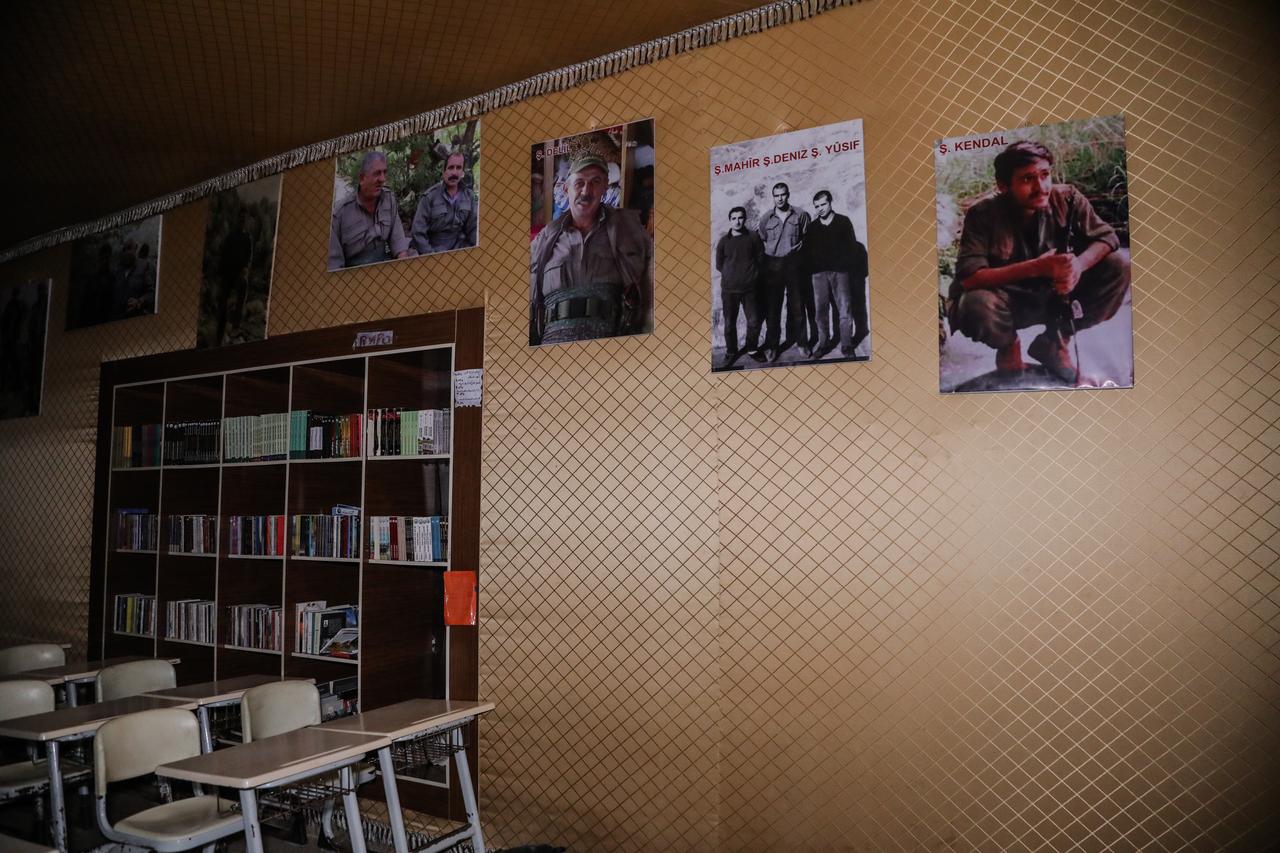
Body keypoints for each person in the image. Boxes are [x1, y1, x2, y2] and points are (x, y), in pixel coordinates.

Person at [949, 140, 1130, 383]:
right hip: (1008, 303)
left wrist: (1078, 266)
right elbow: (970, 277)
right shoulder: (982, 214)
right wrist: (1038, 267)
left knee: (1118, 266)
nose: (1041, 187)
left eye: (1045, 175)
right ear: (1003, 186)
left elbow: (1107, 237)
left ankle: (1055, 342)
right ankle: (1008, 347)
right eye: (1027, 179)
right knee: (975, 304)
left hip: (1057, 296)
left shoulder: (1067, 198)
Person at [529, 153, 653, 345]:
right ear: (565, 188)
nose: (586, 191)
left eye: (596, 181)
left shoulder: (629, 232)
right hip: (552, 348)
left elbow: (649, 293)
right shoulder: (544, 241)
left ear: (605, 188)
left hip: (610, 347)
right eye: (579, 183)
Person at [805, 190, 868, 358]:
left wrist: (845, 267)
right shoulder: (812, 228)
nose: (820, 209)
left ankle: (847, 346)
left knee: (844, 309)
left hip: (840, 273)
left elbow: (853, 248)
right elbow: (808, 252)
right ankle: (823, 344)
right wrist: (814, 271)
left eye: (823, 204)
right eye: (817, 206)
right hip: (819, 275)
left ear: (830, 202)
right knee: (821, 312)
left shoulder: (843, 222)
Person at [756, 182, 811, 362]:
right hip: (773, 265)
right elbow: (762, 239)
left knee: (797, 305)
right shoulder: (766, 219)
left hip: (794, 264)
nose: (780, 198)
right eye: (776, 195)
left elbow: (806, 237)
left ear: (788, 195)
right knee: (773, 308)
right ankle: (772, 346)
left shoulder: (801, 215)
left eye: (783, 195)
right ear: (773, 197)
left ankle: (802, 343)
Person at [328, 150, 411, 270]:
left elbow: (398, 243)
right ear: (362, 178)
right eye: (377, 173)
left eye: (384, 172)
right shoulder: (340, 214)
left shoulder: (388, 199)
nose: (382, 179)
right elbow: (334, 265)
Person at [714, 206, 764, 368]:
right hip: (729, 290)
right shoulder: (724, 241)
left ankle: (752, 349)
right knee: (729, 323)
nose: (737, 221)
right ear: (730, 220)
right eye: (734, 218)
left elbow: (760, 259)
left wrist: (751, 275)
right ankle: (731, 351)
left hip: (750, 289)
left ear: (745, 219)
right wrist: (732, 275)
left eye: (740, 217)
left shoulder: (753, 237)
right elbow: (719, 265)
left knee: (754, 321)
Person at [410, 150, 477, 255]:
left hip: (458, 248)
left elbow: (474, 229)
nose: (454, 173)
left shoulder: (469, 196)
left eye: (458, 168)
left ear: (463, 172)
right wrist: (430, 255)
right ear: (444, 171)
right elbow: (418, 232)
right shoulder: (430, 197)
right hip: (433, 249)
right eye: (451, 168)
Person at [214, 207, 253, 344]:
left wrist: (245, 269)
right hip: (227, 273)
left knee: (243, 287)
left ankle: (236, 326)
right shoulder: (231, 237)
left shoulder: (247, 238)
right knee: (223, 300)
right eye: (241, 218)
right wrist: (221, 273)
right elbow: (223, 255)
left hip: (238, 273)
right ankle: (221, 328)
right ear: (238, 219)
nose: (243, 221)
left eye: (245, 219)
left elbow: (248, 257)